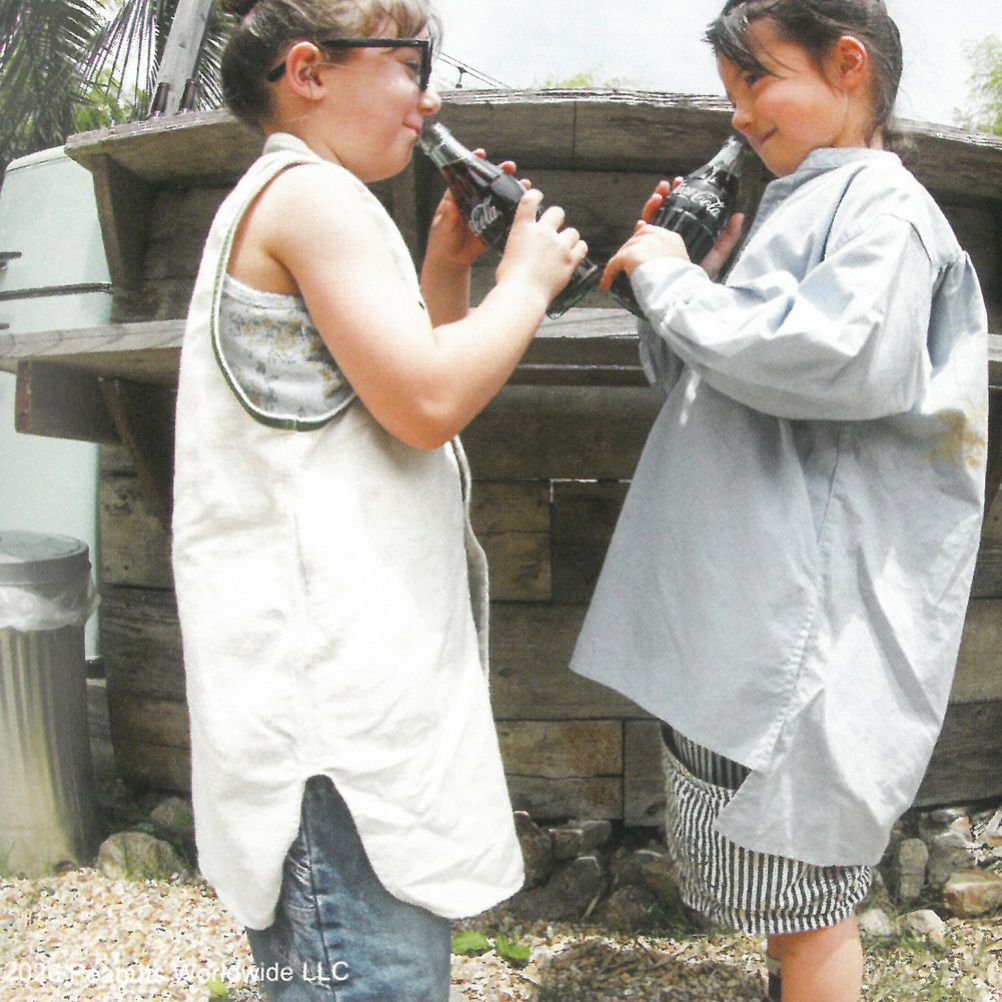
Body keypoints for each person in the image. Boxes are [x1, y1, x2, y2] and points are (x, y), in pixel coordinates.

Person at [170, 1, 589, 999]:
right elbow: (427, 403)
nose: (428, 98)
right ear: (310, 72)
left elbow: (388, 395)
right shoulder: (315, 199)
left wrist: (446, 271)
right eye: (411, 65)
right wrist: (527, 286)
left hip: (321, 730)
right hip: (335, 748)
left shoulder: (285, 199)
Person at [571, 2, 988, 1000]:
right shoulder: (808, 199)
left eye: (758, 80)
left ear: (848, 65)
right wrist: (692, 282)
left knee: (807, 905)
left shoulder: (884, 210)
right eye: (731, 92)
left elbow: (836, 361)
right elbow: (722, 384)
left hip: (804, 630)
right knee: (781, 895)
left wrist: (677, 288)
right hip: (751, 610)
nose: (740, 116)